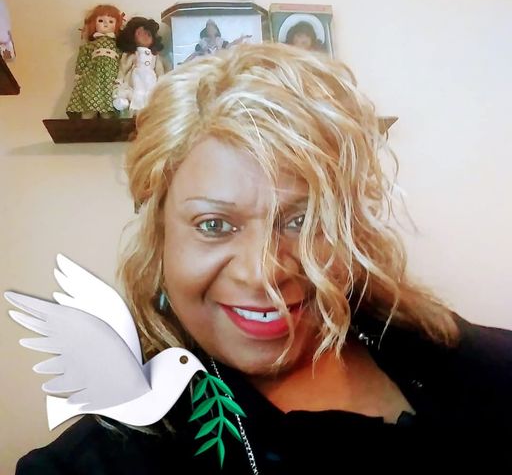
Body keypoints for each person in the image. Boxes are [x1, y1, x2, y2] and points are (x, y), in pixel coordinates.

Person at [17, 43, 512, 474]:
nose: (264, 273)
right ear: (159, 239)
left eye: (303, 220)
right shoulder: (102, 459)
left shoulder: (461, 356)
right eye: (214, 225)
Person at [66, 4, 124, 119]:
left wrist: (121, 78)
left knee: (109, 99)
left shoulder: (118, 46)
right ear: (94, 23)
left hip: (110, 77)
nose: (106, 24)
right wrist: (78, 75)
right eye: (101, 20)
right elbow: (83, 59)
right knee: (89, 97)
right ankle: (87, 118)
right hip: (92, 77)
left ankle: (107, 119)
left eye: (111, 21)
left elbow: (122, 62)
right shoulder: (90, 45)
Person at [113, 16, 166, 116]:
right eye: (139, 33)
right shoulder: (131, 55)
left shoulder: (155, 56)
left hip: (151, 82)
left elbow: (160, 71)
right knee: (135, 97)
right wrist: (119, 82)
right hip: (135, 81)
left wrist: (162, 85)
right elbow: (123, 69)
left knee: (150, 99)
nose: (144, 37)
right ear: (131, 36)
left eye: (148, 34)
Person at [185, 18, 251, 61]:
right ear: (206, 31)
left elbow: (230, 45)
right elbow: (195, 53)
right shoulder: (203, 42)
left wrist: (241, 38)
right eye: (208, 29)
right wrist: (185, 63)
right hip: (206, 63)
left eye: (212, 28)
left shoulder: (220, 41)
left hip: (218, 62)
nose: (210, 30)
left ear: (216, 30)